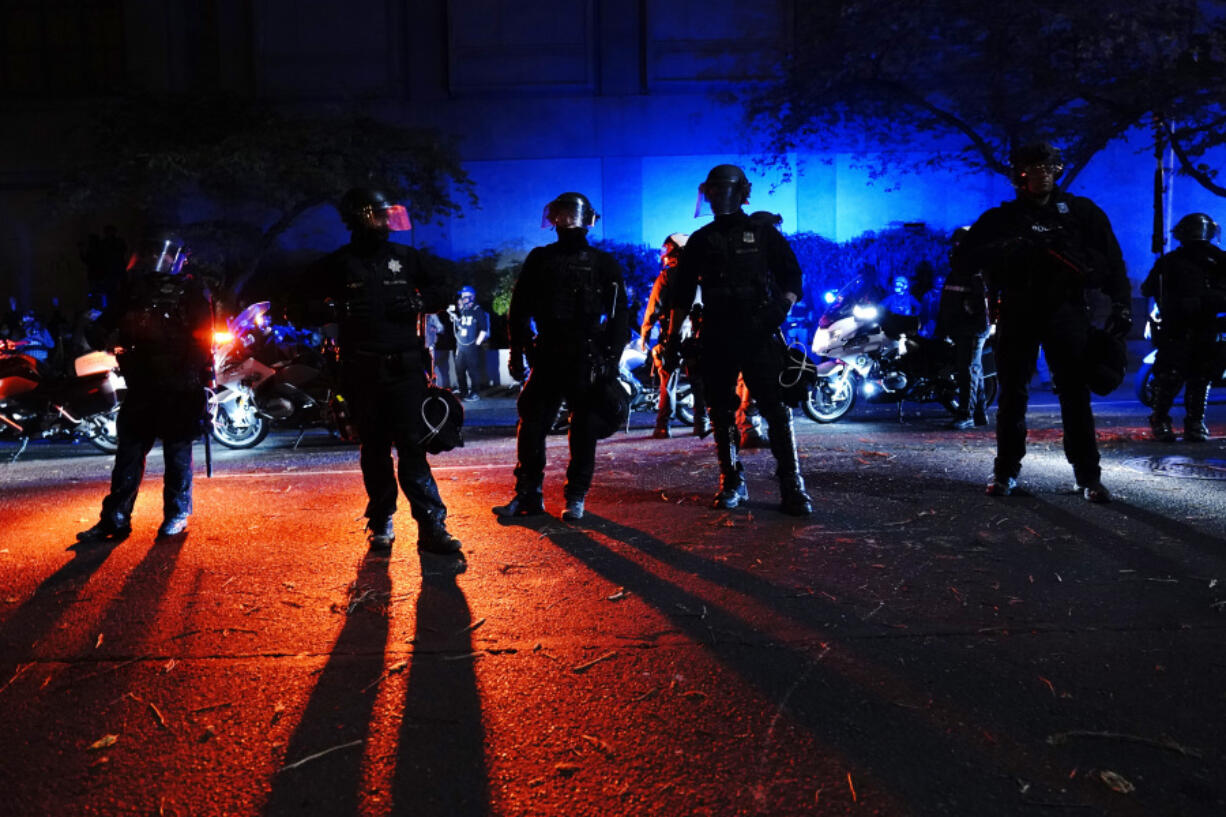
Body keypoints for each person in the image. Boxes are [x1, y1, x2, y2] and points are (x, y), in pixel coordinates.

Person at [959, 142, 1131, 502]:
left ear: (1057, 170)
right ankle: (1005, 471)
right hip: (1018, 310)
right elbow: (964, 258)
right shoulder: (1001, 219)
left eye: (1047, 167)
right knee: (1012, 397)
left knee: (1075, 395)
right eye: (1031, 169)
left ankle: (1088, 475)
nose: (1040, 175)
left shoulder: (1081, 213)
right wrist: (1010, 249)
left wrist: (1121, 305)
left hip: (1066, 310)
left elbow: (1113, 262)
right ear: (1018, 175)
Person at [298, 187, 461, 554]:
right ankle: (381, 521)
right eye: (379, 214)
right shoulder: (338, 264)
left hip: (405, 371)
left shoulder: (406, 257)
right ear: (358, 216)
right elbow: (297, 305)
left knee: (413, 449)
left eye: (389, 215)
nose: (386, 221)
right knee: (374, 451)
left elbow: (444, 289)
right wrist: (332, 312)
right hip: (361, 372)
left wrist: (420, 301)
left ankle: (432, 527)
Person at [664, 164, 813, 516]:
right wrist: (672, 338)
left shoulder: (762, 233)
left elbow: (793, 277)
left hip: (758, 329)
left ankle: (792, 484)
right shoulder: (700, 240)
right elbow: (682, 295)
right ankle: (731, 480)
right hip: (716, 331)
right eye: (711, 191)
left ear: (739, 193)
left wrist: (780, 308)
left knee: (776, 409)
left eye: (720, 190)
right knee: (720, 410)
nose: (716, 197)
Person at [494, 192, 629, 521]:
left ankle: (576, 496)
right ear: (554, 218)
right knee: (532, 424)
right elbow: (519, 309)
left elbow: (620, 316)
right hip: (549, 352)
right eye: (562, 214)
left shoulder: (603, 263)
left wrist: (611, 360)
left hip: (587, 354)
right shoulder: (540, 258)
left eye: (573, 215)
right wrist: (517, 351)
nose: (568, 221)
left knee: (582, 428)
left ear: (585, 219)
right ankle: (528, 495)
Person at [77, 232, 211, 542]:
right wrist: (95, 330)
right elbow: (107, 322)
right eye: (152, 254)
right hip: (141, 384)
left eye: (163, 255)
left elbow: (204, 338)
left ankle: (176, 514)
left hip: (179, 385)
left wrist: (198, 378)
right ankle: (115, 519)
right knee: (128, 454)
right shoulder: (133, 289)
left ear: (176, 258)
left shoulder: (191, 291)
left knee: (177, 454)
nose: (157, 260)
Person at [1140, 212, 1226, 442]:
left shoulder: (1219, 260)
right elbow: (1149, 289)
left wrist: (1208, 300)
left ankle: (1195, 421)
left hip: (1207, 326)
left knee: (1201, 376)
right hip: (1176, 327)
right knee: (1170, 376)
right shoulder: (1170, 261)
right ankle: (1160, 419)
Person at [941, 226, 992, 429]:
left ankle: (966, 415)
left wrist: (974, 325)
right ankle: (979, 414)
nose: (955, 247)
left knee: (968, 371)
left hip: (971, 329)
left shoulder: (974, 270)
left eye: (959, 243)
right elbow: (949, 301)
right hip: (963, 328)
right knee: (973, 371)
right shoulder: (960, 269)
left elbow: (979, 304)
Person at [641, 233, 687, 438]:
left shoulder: (667, 276)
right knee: (700, 380)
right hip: (698, 337)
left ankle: (663, 426)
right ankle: (702, 423)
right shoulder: (701, 275)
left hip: (672, 336)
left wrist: (645, 333)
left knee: (667, 381)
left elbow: (654, 308)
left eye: (667, 249)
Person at [449, 285, 489, 401]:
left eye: (465, 296)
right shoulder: (463, 310)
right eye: (462, 296)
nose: (463, 298)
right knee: (459, 369)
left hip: (471, 346)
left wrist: (476, 344)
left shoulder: (478, 310)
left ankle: (475, 393)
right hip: (461, 346)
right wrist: (455, 318)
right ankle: (464, 392)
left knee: (473, 371)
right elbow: (460, 326)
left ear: (472, 296)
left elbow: (483, 329)